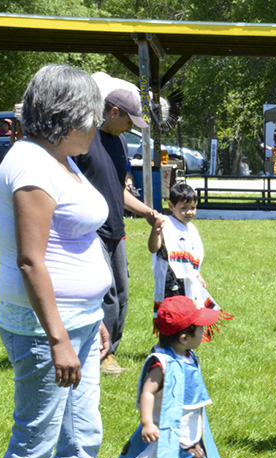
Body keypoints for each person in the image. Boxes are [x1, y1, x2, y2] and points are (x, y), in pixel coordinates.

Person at [0, 63, 127, 458]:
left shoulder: (58, 158)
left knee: (82, 430)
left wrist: (91, 319)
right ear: (66, 118)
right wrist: (57, 338)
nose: (94, 129)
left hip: (79, 320)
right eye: (90, 119)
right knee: (37, 432)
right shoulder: (30, 166)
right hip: (44, 325)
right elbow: (31, 261)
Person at [87, 297, 255, 458]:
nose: (204, 332)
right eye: (200, 330)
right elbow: (148, 391)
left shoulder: (186, 355)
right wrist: (147, 423)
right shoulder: (161, 362)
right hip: (160, 427)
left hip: (186, 426)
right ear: (184, 338)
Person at [73, 88, 161, 377]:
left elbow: (120, 190)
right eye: (128, 120)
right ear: (113, 112)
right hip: (92, 231)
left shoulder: (121, 142)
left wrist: (146, 211)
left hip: (117, 230)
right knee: (107, 293)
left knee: (121, 293)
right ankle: (102, 354)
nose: (130, 127)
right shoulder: (85, 142)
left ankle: (112, 347)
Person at [148, 183, 227, 328]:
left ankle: (184, 342)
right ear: (171, 206)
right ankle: (169, 343)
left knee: (188, 312)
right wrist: (156, 230)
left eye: (192, 208)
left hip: (188, 280)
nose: (189, 212)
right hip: (170, 280)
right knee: (172, 313)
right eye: (183, 208)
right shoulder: (166, 224)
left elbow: (191, 256)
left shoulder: (192, 229)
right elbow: (154, 247)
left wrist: (198, 275)